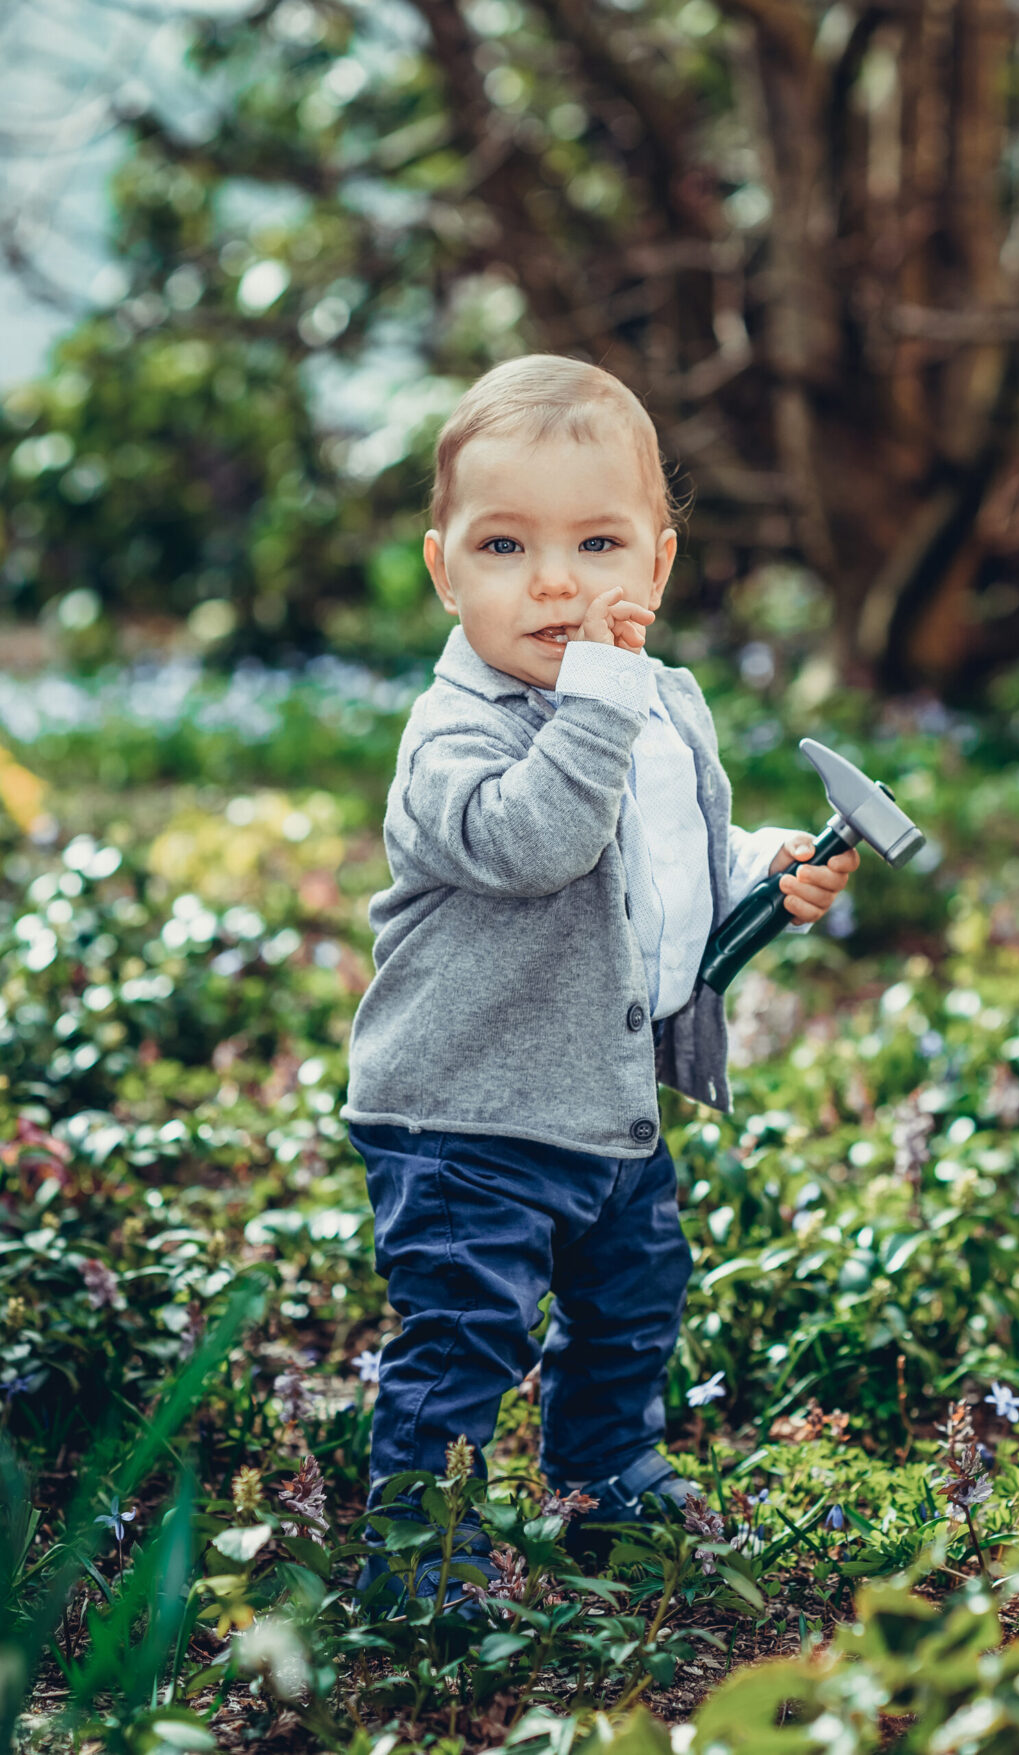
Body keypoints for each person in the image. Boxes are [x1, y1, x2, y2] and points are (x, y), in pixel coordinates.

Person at [340, 353, 859, 1608]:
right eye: (507, 547)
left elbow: (660, 860)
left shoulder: (659, 706)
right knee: (467, 1335)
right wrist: (601, 699)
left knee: (632, 1305)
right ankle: (423, 1551)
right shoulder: (453, 734)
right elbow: (540, 842)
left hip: (607, 1101)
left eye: (599, 544)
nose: (560, 583)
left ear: (660, 569)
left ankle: (601, 1474)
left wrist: (765, 867)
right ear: (444, 570)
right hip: (464, 1115)